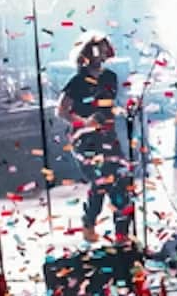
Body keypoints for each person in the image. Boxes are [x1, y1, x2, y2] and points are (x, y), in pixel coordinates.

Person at [56, 34, 133, 243]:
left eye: (105, 50)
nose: (102, 55)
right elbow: (61, 110)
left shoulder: (110, 78)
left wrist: (123, 111)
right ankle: (90, 222)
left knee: (120, 180)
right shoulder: (77, 82)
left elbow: (108, 105)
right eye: (98, 50)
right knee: (102, 180)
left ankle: (121, 234)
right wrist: (84, 122)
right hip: (86, 139)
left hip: (108, 136)